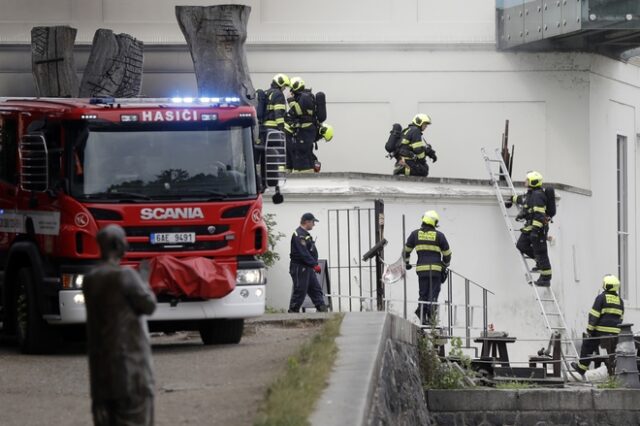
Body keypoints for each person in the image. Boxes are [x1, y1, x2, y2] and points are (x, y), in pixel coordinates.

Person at [83, 224, 157, 426]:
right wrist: (144, 281)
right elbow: (148, 306)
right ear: (117, 244)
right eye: (125, 240)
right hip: (130, 368)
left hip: (101, 370)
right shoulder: (126, 276)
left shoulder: (90, 279)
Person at [403, 210, 451, 325]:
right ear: (434, 222)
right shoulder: (439, 236)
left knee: (423, 293)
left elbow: (406, 251)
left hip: (421, 270)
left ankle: (422, 314)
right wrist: (445, 265)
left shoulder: (415, 234)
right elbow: (447, 254)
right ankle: (430, 317)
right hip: (435, 271)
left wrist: (407, 264)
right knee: (433, 294)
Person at [571, 275, 624, 377]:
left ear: (606, 285)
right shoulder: (620, 301)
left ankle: (581, 368)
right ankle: (613, 372)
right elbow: (621, 318)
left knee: (588, 345)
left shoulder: (601, 298)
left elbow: (594, 315)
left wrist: (589, 330)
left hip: (600, 331)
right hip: (615, 333)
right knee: (612, 353)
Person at [512, 170, 552, 286]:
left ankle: (546, 279)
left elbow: (539, 215)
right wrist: (512, 199)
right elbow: (523, 200)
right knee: (521, 245)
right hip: (530, 226)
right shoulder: (531, 193)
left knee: (541, 252)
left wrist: (535, 231)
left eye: (527, 180)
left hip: (538, 228)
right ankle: (539, 262)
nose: (525, 181)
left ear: (533, 182)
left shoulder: (538, 195)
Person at [288, 212, 329, 313]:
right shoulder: (299, 235)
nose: (314, 225)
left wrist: (312, 265)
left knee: (315, 289)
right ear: (307, 222)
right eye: (313, 222)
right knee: (300, 290)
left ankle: (322, 310)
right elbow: (303, 253)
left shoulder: (305, 234)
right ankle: (292, 313)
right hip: (300, 267)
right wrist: (314, 264)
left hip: (308, 267)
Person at [258, 73, 290, 172]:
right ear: (280, 84)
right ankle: (278, 173)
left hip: (263, 128)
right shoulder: (278, 94)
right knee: (277, 152)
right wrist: (282, 129)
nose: (284, 89)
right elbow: (278, 113)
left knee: (265, 152)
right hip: (274, 129)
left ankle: (265, 172)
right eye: (284, 86)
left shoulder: (266, 93)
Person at [287, 77, 318, 173]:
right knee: (304, 151)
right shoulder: (303, 96)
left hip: (306, 130)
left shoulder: (305, 97)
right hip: (305, 130)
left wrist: (290, 100)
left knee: (303, 152)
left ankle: (307, 173)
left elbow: (299, 112)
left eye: (292, 87)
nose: (291, 90)